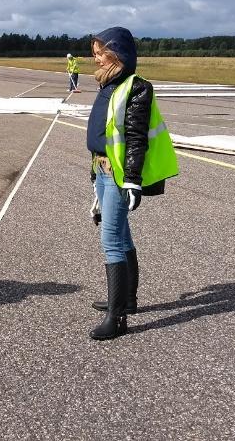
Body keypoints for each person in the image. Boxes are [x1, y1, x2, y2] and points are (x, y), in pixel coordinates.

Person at [85, 26, 178, 340]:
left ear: (117, 54)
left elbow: (136, 139)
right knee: (122, 237)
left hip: (118, 175)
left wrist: (133, 181)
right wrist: (93, 177)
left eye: (101, 53)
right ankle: (127, 300)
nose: (95, 58)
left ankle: (118, 317)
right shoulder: (107, 84)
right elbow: (104, 137)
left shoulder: (136, 87)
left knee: (110, 240)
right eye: (95, 53)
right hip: (101, 170)